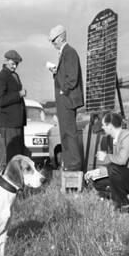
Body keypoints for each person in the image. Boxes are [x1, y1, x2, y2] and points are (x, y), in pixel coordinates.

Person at [86, 111, 129, 212]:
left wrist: (106, 156)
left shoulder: (127, 136)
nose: (102, 127)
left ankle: (124, 205)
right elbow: (116, 164)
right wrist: (96, 172)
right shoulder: (117, 139)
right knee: (98, 182)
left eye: (104, 125)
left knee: (113, 170)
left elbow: (121, 161)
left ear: (110, 126)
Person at [46, 24, 84, 171]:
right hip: (64, 101)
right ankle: (68, 165)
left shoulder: (69, 52)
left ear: (61, 37)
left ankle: (74, 166)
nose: (53, 43)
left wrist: (63, 91)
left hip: (67, 100)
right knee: (65, 134)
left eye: (54, 40)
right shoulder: (65, 53)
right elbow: (68, 75)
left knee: (69, 134)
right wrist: (56, 72)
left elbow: (72, 78)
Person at [0, 50, 28, 165]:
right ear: (5, 61)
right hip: (8, 123)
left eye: (16, 64)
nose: (15, 66)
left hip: (17, 122)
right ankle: (9, 179)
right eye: (13, 63)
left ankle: (18, 179)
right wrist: (18, 94)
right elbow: (1, 100)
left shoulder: (15, 75)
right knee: (12, 156)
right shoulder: (1, 77)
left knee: (19, 155)